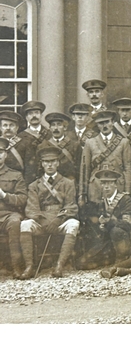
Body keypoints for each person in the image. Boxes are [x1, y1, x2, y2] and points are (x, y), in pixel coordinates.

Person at [19, 147, 79, 278]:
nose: (50, 164)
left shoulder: (68, 183)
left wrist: (58, 220)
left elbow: (71, 206)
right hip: (42, 221)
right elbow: (32, 209)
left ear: (58, 163)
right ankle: (29, 266)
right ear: (42, 164)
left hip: (60, 220)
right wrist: (43, 221)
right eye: (46, 162)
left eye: (53, 161)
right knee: (25, 224)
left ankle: (59, 266)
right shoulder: (34, 185)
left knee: (74, 224)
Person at [77, 170, 131, 270]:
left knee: (116, 231)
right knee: (82, 263)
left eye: (110, 183)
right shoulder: (102, 203)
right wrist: (102, 226)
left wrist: (111, 222)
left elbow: (127, 224)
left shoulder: (126, 199)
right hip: (109, 242)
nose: (106, 186)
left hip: (125, 241)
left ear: (116, 184)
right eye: (104, 183)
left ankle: (122, 259)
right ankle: (110, 259)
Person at [79, 110, 131, 207]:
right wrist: (82, 193)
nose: (105, 126)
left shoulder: (123, 142)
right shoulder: (90, 142)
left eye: (107, 122)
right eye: (101, 123)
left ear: (112, 123)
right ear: (97, 125)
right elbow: (85, 169)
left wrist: (127, 191)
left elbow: (128, 168)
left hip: (117, 184)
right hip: (96, 185)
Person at [0, 137, 27, 279]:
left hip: (8, 215)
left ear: (5, 154)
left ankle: (16, 267)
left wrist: (4, 195)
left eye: (0, 152)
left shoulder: (15, 174)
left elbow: (22, 199)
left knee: (16, 222)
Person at [37, 112, 80, 183]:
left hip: (68, 184)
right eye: (53, 125)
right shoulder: (42, 146)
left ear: (65, 127)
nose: (56, 128)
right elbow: (39, 170)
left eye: (59, 125)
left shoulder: (74, 145)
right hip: (49, 184)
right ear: (50, 128)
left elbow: (79, 169)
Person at [0, 110, 36, 184]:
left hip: (18, 184)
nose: (8, 128)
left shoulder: (26, 143)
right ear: (0, 128)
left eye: (11, 125)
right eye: (5, 125)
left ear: (17, 128)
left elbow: (30, 170)